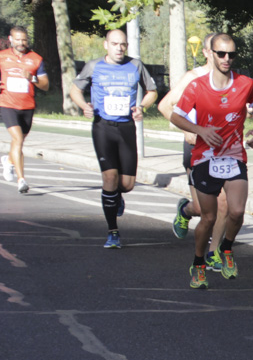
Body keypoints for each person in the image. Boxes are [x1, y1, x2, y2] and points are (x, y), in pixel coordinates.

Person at [170, 33, 253, 289]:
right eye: (221, 54)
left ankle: (227, 248)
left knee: (236, 211)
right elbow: (175, 116)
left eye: (231, 54)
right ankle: (198, 263)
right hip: (205, 158)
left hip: (233, 156)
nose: (226, 59)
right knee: (208, 218)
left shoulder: (245, 83)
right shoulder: (197, 86)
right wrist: (200, 130)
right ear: (211, 53)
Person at [69, 29, 158, 248]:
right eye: (115, 44)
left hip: (126, 128)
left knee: (126, 184)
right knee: (109, 178)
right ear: (105, 45)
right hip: (103, 127)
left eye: (123, 44)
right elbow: (74, 89)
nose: (119, 48)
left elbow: (152, 91)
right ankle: (113, 232)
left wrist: (142, 107)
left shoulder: (135, 65)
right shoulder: (94, 66)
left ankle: (117, 196)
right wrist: (84, 106)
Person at [158, 32, 230, 271]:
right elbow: (165, 105)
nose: (221, 56)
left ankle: (213, 251)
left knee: (223, 204)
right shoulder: (193, 77)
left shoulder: (229, 79)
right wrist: (188, 131)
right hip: (196, 148)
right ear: (207, 52)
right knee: (201, 208)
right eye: (216, 51)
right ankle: (185, 210)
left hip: (221, 150)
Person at [1, 26, 50, 194]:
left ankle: (8, 161)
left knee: (19, 140)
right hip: (7, 104)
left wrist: (32, 78)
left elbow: (45, 85)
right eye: (18, 39)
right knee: (18, 139)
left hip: (27, 106)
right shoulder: (2, 57)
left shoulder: (35, 59)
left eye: (24, 40)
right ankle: (21, 180)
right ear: (11, 39)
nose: (21, 43)